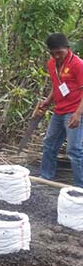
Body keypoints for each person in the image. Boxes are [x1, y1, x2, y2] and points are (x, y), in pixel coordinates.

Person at [34, 33, 83, 187]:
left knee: (74, 150)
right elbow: (57, 84)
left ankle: (79, 188)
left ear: (68, 49)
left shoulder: (78, 64)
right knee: (49, 144)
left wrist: (78, 113)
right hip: (59, 110)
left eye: (59, 53)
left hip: (74, 111)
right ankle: (45, 178)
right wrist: (48, 101)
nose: (56, 56)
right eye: (52, 53)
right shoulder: (51, 64)